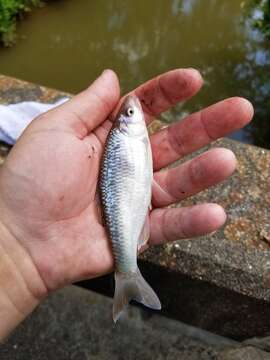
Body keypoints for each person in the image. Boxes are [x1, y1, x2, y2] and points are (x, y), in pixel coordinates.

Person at [0, 69, 253, 340]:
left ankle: (128, 276)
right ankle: (128, 274)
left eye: (130, 113)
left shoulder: (125, 138)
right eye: (130, 114)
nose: (134, 112)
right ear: (125, 124)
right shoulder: (124, 138)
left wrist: (13, 247)